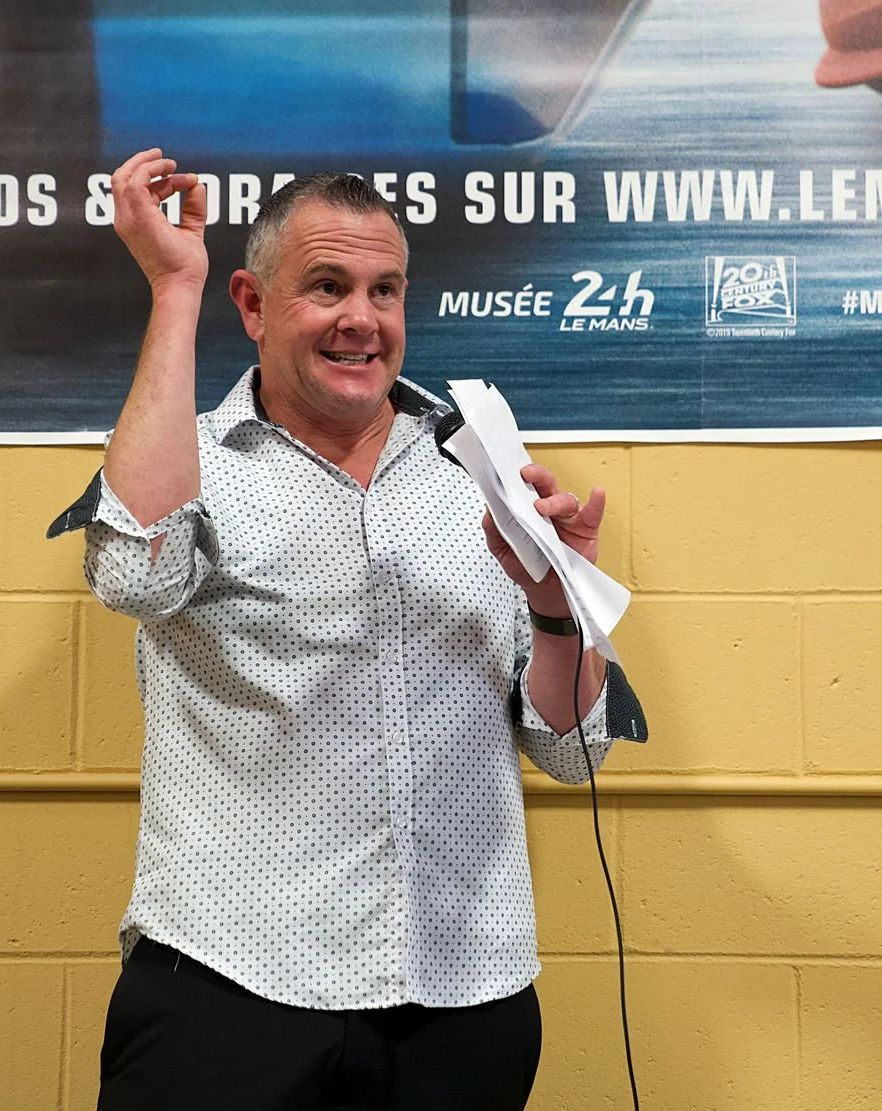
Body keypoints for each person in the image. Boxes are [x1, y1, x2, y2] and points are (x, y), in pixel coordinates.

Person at [48, 148, 646, 1111]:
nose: (361, 319)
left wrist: (550, 596)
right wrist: (173, 285)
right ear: (250, 303)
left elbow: (574, 752)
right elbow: (132, 573)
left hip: (463, 1002)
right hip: (230, 988)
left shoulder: (477, 472)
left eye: (385, 290)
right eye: (326, 287)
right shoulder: (188, 461)